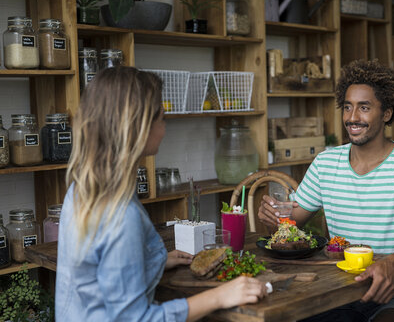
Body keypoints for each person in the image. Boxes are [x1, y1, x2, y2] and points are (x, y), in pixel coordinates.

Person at [55, 66, 267, 321]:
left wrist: (151, 261)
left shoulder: (82, 189)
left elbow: (99, 274)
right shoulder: (121, 216)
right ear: (139, 127)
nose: (164, 128)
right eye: (161, 118)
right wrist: (220, 296)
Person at [258, 60, 394, 322]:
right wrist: (275, 219)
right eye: (347, 107)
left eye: (364, 108)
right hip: (339, 289)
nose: (352, 117)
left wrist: (392, 263)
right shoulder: (326, 162)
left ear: (387, 113)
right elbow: (289, 224)